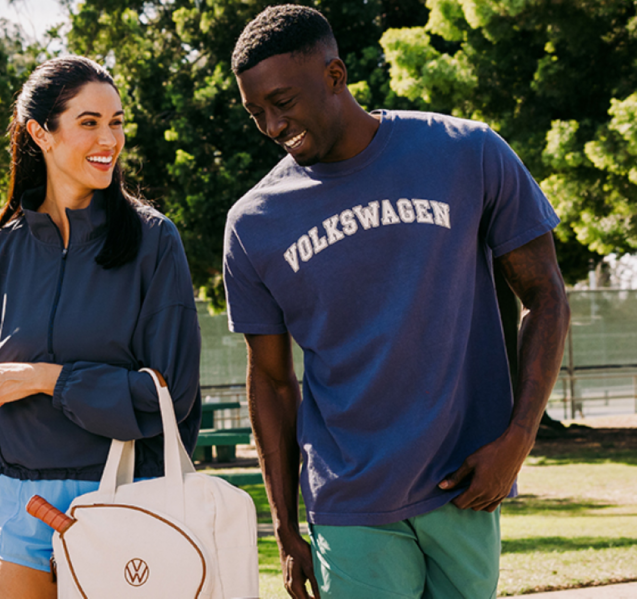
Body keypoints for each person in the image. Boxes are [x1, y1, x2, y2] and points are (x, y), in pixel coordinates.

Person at [223, 5, 570, 599]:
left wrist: (517, 441)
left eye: (283, 102)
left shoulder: (468, 152)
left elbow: (545, 295)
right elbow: (273, 383)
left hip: (465, 483)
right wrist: (284, 528)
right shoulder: (254, 224)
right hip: (349, 498)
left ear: (335, 76)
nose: (273, 126)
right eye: (256, 112)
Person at [0, 55, 202, 599]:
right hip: (20, 504)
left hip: (124, 499)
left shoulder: (154, 242)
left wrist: (52, 379)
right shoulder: (5, 250)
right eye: (89, 122)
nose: (109, 138)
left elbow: (170, 396)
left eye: (116, 122)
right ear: (41, 133)